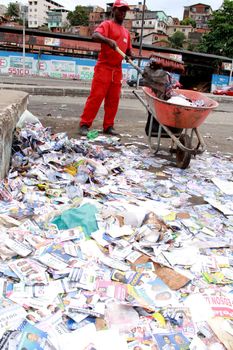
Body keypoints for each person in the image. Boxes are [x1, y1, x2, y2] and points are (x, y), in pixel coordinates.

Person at [79, 0, 133, 136]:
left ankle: (108, 126)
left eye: (124, 10)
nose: (122, 13)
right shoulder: (107, 25)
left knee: (113, 99)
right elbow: (95, 35)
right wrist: (108, 41)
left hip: (117, 69)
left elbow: (128, 51)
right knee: (96, 97)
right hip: (104, 67)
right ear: (114, 10)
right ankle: (84, 124)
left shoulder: (127, 33)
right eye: (120, 10)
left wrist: (130, 55)